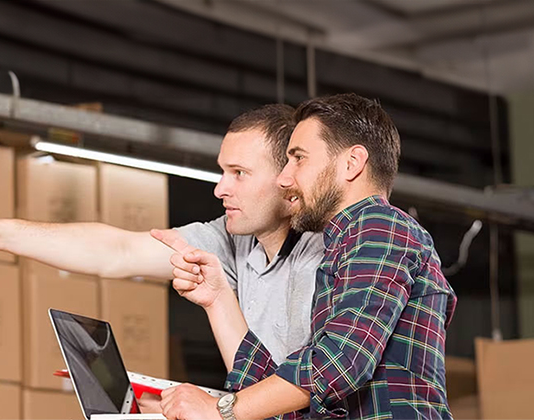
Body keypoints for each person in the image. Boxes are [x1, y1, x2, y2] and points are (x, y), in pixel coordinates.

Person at [0, 104, 324, 369]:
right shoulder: (234, 242)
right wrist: (0, 232)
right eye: (221, 171)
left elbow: (310, 389)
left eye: (239, 173)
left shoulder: (327, 256)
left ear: (288, 178)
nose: (219, 188)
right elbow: (117, 251)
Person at [154, 93, 457, 420]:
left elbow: (339, 362)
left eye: (298, 158)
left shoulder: (380, 226)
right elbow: (294, 403)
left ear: (352, 163)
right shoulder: (343, 244)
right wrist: (218, 300)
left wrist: (219, 410)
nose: (285, 178)